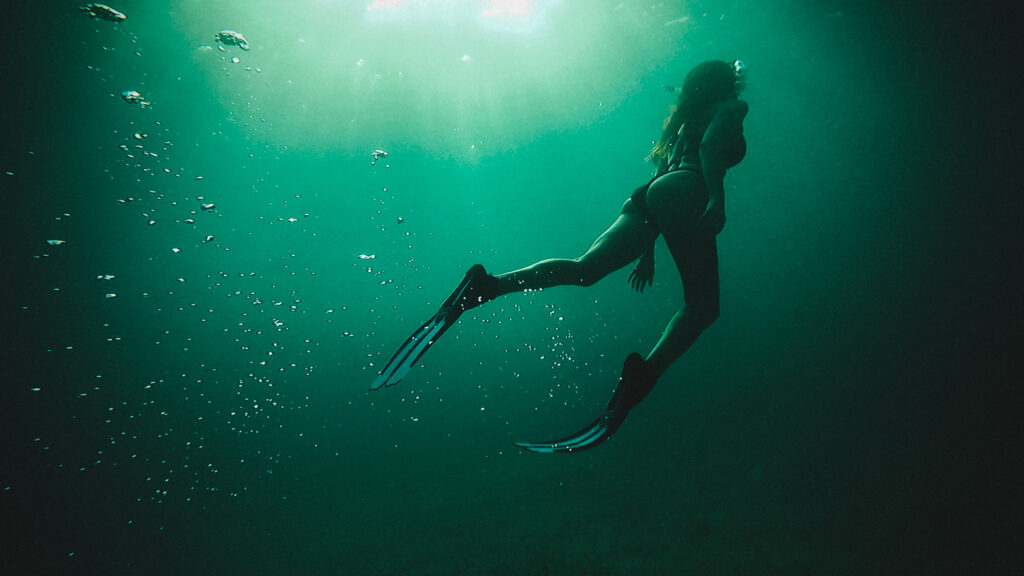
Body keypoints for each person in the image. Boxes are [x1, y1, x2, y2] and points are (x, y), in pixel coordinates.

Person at [373, 60, 749, 452]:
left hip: (651, 196)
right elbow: (708, 149)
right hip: (688, 189)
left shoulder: (683, 119)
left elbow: (660, 183)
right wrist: (716, 201)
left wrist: (648, 251)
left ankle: (488, 286)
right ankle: (645, 375)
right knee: (702, 307)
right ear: (726, 83)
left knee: (585, 270)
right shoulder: (731, 107)